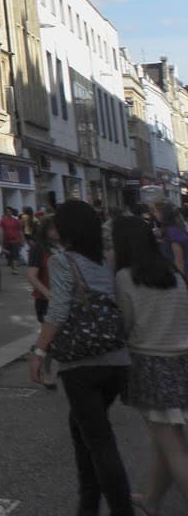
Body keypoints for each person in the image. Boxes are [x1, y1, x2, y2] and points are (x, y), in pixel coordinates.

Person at [30, 200, 135, 516]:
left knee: (99, 439)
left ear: (68, 228)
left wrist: (39, 352)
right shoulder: (109, 260)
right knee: (82, 426)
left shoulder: (63, 261)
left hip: (81, 363)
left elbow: (59, 309)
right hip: (116, 359)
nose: (54, 228)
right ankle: (87, 504)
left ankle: (120, 509)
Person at [113, 215, 188, 516]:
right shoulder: (174, 275)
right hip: (182, 362)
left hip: (150, 365)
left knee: (174, 448)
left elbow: (126, 324)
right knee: (166, 443)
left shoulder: (125, 278)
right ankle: (152, 500)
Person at [157, 205, 188, 279]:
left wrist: (183, 282)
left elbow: (179, 261)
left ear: (164, 214)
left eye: (156, 211)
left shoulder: (172, 232)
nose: (154, 214)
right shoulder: (174, 229)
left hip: (180, 275)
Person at [0, 206, 26, 273]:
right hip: (6, 241)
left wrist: (22, 239)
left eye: (9, 211)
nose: (8, 213)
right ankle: (13, 267)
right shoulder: (3, 221)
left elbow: (20, 231)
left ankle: (15, 269)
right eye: (7, 212)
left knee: (15, 255)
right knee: (9, 256)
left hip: (15, 240)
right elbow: (1, 230)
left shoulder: (16, 221)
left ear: (12, 212)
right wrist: (1, 240)